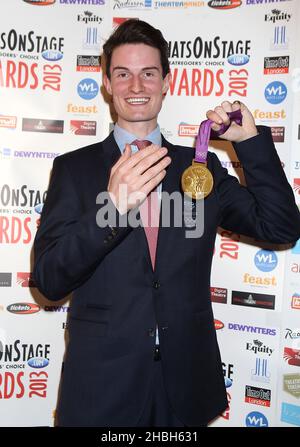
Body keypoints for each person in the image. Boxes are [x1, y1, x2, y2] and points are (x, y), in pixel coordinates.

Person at [33, 19, 300, 427]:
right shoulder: (74, 170)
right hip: (103, 386)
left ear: (166, 82)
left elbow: (281, 227)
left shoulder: (200, 168)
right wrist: (113, 209)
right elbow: (50, 280)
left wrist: (249, 142)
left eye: (148, 74)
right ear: (106, 83)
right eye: (123, 74)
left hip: (186, 385)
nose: (136, 87)